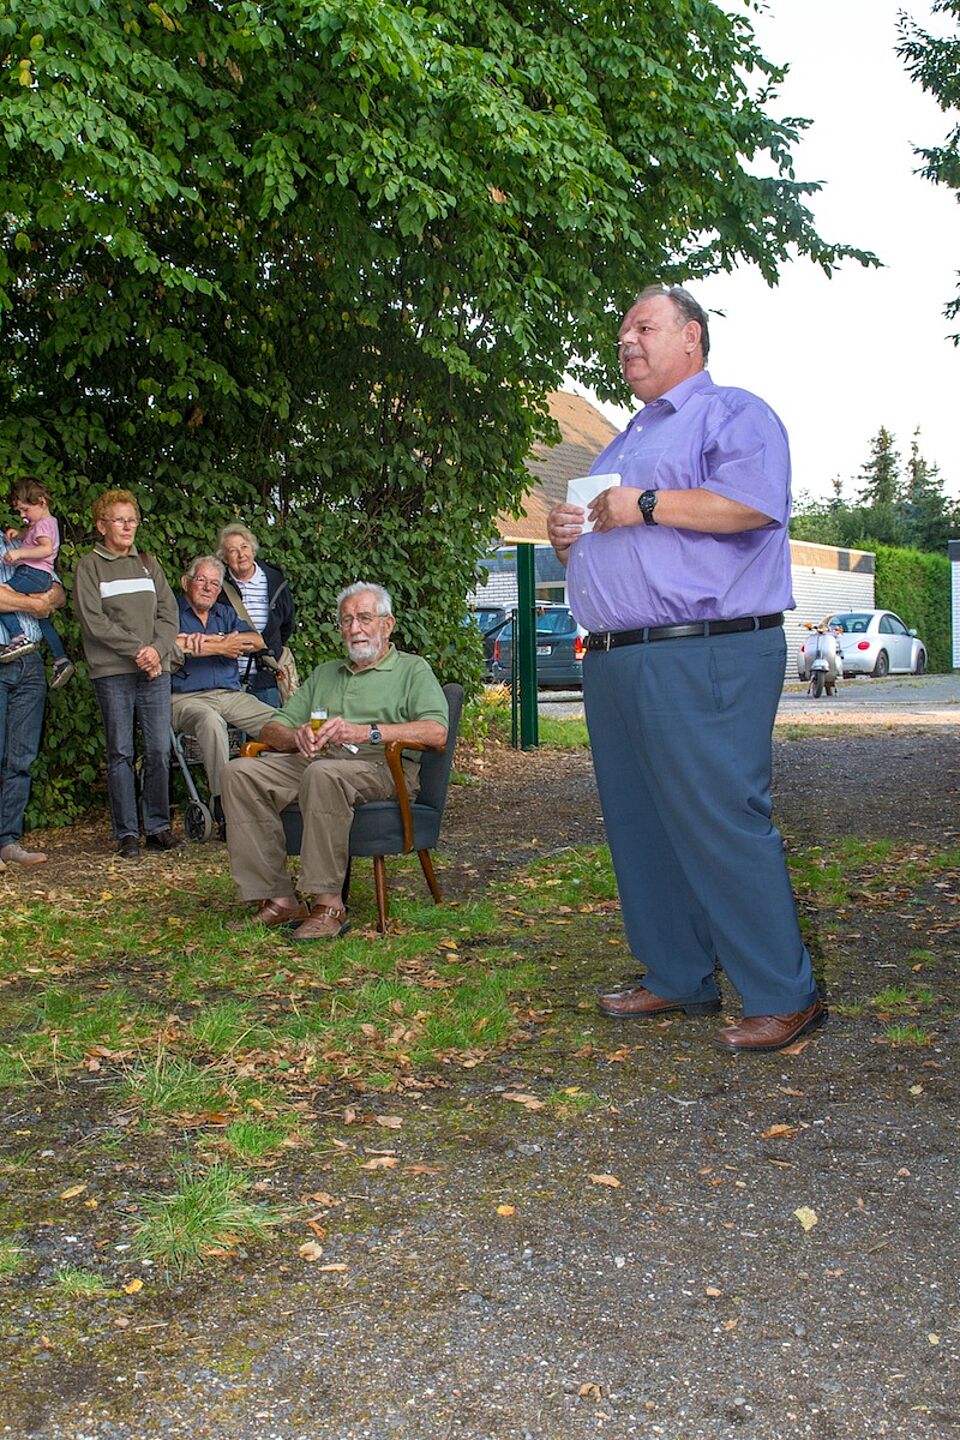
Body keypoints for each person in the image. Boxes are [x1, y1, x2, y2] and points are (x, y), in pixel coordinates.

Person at [547, 284, 825, 1055]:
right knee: (642, 827)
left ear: (691, 337)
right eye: (621, 333)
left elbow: (751, 504)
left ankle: (784, 994)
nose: (626, 342)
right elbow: (617, 538)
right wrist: (572, 539)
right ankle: (678, 973)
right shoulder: (621, 443)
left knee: (720, 820)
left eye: (643, 327)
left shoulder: (733, 413)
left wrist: (643, 504)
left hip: (702, 649)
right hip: (617, 657)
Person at [220, 582, 448, 940]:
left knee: (323, 773)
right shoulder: (326, 673)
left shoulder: (411, 669)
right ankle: (280, 900)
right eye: (346, 620)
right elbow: (273, 726)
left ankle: (329, 905)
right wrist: (295, 737)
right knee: (238, 772)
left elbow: (436, 731)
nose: (355, 628)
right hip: (320, 758)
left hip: (383, 765)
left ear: (387, 625)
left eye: (364, 618)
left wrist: (367, 732)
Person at [73, 489, 181, 860]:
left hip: (155, 669)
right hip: (113, 671)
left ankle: (157, 827)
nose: (127, 526)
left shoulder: (149, 563)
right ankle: (127, 833)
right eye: (119, 520)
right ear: (101, 525)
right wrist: (139, 650)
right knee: (120, 751)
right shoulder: (90, 566)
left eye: (132, 520)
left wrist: (157, 650)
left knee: (158, 749)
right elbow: (93, 621)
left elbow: (169, 615)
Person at [171, 555, 278, 839]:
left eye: (215, 584)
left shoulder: (225, 614)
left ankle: (282, 793)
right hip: (185, 699)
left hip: (230, 695)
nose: (208, 588)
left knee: (279, 721)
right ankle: (224, 806)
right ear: (186, 582)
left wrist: (203, 643)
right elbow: (169, 643)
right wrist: (221, 644)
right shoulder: (170, 612)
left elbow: (257, 641)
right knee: (211, 721)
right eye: (201, 580)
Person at [0, 558, 66, 870]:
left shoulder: (26, 545)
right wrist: (35, 603)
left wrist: (46, 597)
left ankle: (7, 841)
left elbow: (58, 593)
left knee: (21, 758)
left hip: (30, 664)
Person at [0, 477, 75, 687]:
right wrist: (20, 534)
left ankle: (18, 637)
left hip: (32, 573)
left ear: (41, 502)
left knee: (4, 592)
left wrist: (19, 553)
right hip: (42, 577)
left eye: (25, 510)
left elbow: (45, 548)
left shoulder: (42, 526)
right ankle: (61, 659)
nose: (22, 516)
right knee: (41, 617)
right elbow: (33, 535)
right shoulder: (43, 524)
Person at [215, 523, 295, 708]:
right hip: (229, 680)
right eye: (233, 551)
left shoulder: (275, 580)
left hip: (267, 677)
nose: (241, 554)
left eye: (244, 547)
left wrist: (268, 648)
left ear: (252, 549)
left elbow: (287, 624)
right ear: (225, 558)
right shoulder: (217, 587)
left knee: (271, 724)